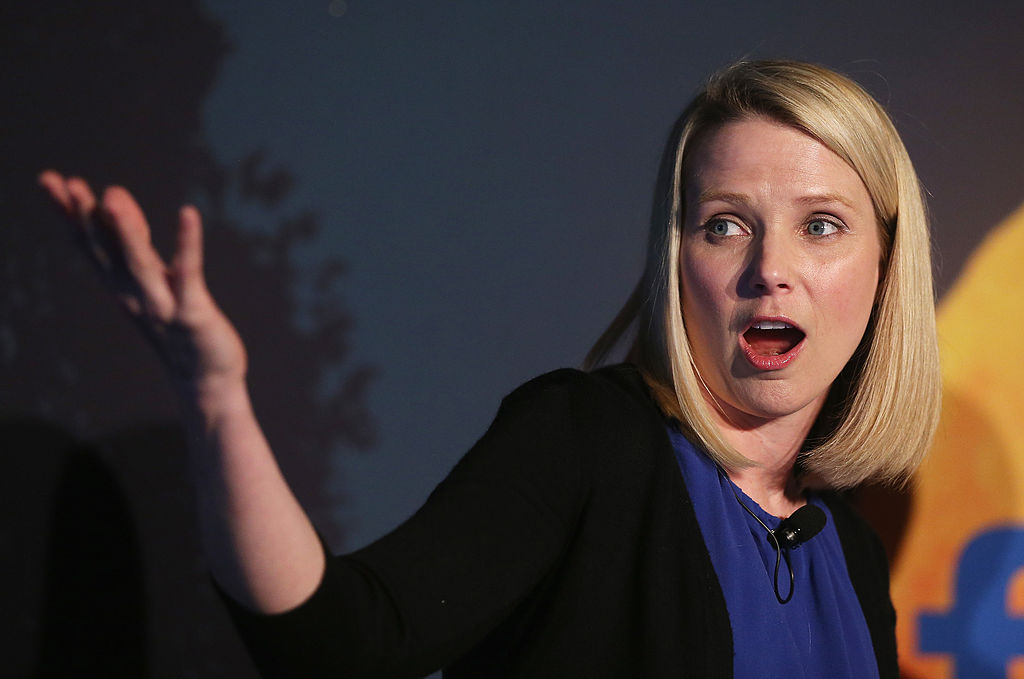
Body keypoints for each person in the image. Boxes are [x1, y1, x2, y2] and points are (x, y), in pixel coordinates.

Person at [40, 59, 940, 678]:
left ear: (885, 264)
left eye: (821, 224)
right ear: (677, 262)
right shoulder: (587, 438)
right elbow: (342, 641)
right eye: (724, 223)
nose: (768, 266)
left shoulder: (847, 546)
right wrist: (216, 399)